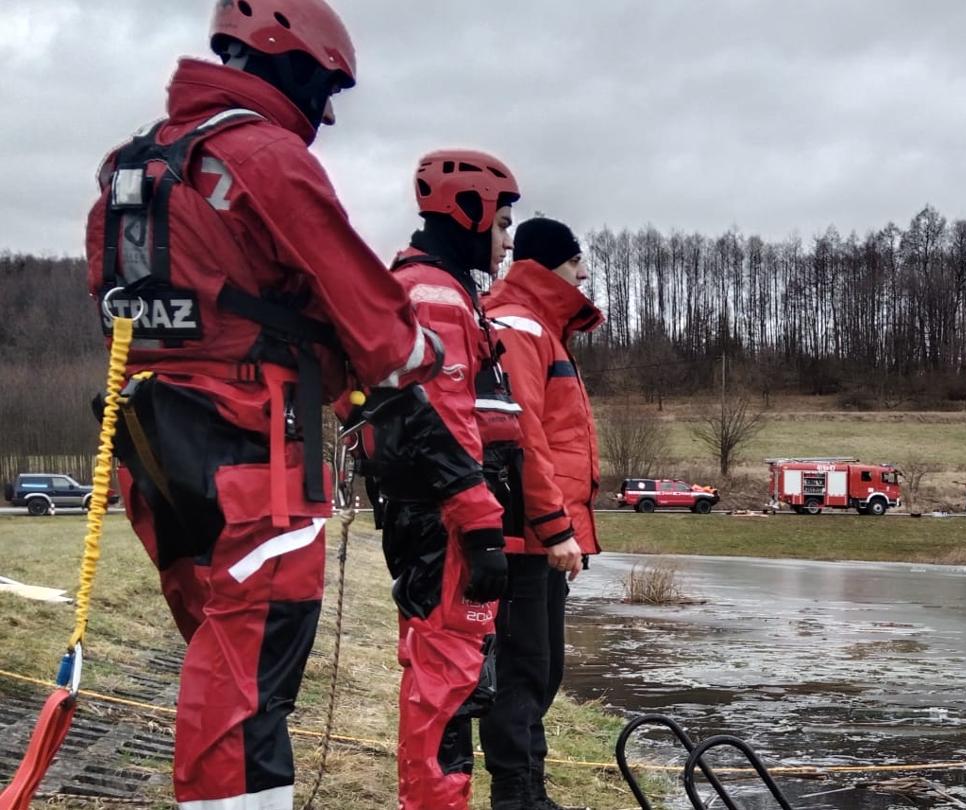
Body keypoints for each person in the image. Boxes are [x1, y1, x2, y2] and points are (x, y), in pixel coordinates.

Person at [83, 1, 439, 806]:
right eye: (329, 87)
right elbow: (382, 327)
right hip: (251, 446)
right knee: (249, 676)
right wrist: (421, 357)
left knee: (220, 648)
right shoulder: (265, 156)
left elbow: (136, 300)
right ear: (294, 62)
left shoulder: (133, 166)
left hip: (150, 437)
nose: (330, 109)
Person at [364, 148, 522, 808]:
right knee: (446, 685)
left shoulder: (445, 291)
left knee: (450, 681)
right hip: (446, 519)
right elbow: (441, 419)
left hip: (438, 512)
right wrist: (482, 526)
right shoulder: (434, 296)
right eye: (504, 224)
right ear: (471, 212)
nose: (507, 241)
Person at [478, 218, 605, 809]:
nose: (584, 274)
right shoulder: (520, 326)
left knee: (542, 669)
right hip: (524, 536)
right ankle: (517, 796)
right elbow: (522, 436)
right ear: (549, 264)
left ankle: (531, 791)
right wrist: (556, 529)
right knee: (524, 671)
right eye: (577, 261)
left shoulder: (544, 329)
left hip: (541, 534)